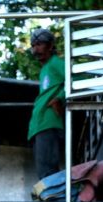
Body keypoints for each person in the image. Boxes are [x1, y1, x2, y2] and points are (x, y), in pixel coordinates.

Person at [27, 27, 65, 183]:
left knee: (48, 172)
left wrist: (60, 98)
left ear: (50, 46)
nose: (36, 49)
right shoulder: (44, 69)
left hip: (49, 123)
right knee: (43, 171)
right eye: (33, 45)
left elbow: (75, 79)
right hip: (39, 125)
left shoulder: (56, 63)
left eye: (40, 44)